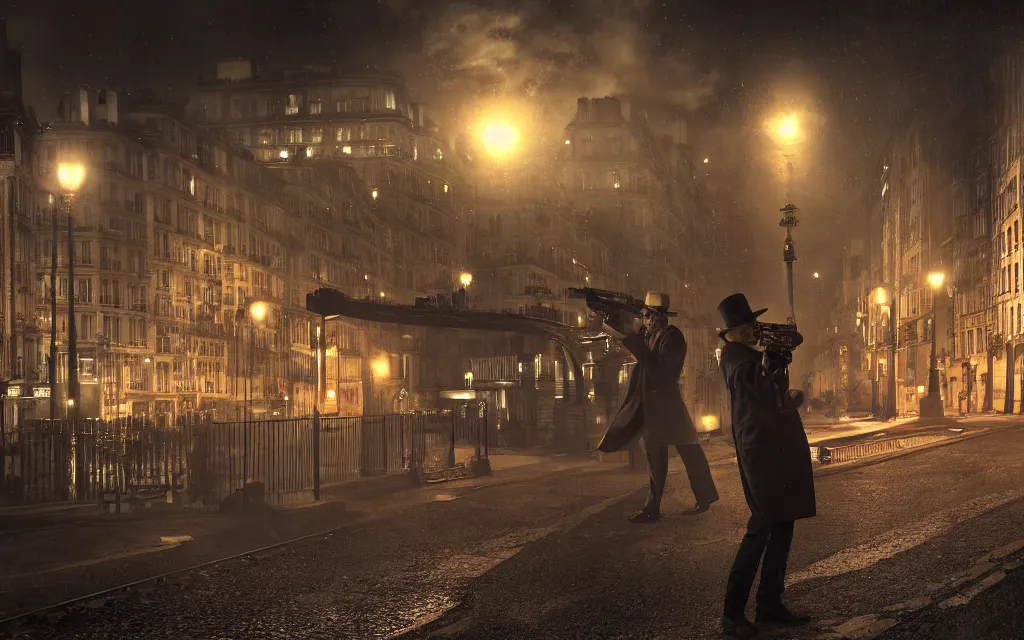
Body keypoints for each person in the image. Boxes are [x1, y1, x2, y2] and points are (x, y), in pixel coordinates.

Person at [716, 293, 815, 638]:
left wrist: (776, 366)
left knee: (782, 521)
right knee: (760, 527)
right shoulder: (737, 359)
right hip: (762, 450)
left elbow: (770, 391)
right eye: (751, 327)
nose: (756, 332)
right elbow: (753, 385)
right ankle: (732, 614)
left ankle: (770, 602)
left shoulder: (746, 356)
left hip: (774, 446)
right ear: (739, 330)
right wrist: (770, 361)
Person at [597, 291, 720, 523]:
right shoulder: (647, 335)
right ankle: (652, 508)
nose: (649, 320)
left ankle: (704, 498)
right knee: (656, 458)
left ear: (663, 318)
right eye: (646, 315)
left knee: (690, 451)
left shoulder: (672, 337)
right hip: (652, 408)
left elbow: (660, 370)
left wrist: (633, 339)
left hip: (669, 406)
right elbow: (629, 339)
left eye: (653, 316)